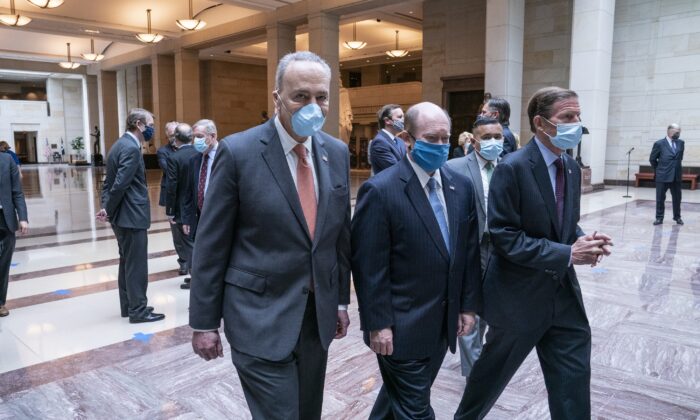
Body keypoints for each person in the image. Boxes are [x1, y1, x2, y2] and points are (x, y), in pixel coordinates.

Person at [189, 51, 351, 420]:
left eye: (321, 97)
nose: (313, 105)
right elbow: (211, 246)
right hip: (257, 318)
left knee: (308, 413)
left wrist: (339, 301)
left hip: (315, 319)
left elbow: (339, 240)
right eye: (301, 96)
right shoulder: (240, 151)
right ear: (277, 97)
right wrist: (204, 322)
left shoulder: (336, 153)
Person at [454, 87, 613, 420]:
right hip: (517, 298)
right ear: (540, 123)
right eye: (567, 117)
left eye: (578, 116)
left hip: (562, 296)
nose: (576, 124)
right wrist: (568, 253)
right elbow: (504, 237)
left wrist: (586, 241)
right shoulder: (512, 168)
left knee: (573, 381)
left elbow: (565, 228)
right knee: (489, 379)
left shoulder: (570, 168)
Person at [352, 101, 481, 419]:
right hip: (399, 329)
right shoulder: (381, 191)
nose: (439, 146)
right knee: (415, 410)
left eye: (444, 139)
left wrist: (467, 305)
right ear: (407, 139)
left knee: (400, 399)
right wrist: (378, 324)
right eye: (430, 138)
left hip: (442, 325)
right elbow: (370, 266)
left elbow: (467, 252)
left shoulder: (460, 186)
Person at [445, 116, 503, 379]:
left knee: (496, 312)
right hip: (471, 247)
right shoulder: (454, 167)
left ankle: (488, 363)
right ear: (474, 140)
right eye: (487, 137)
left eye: (498, 137)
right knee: (469, 310)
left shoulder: (510, 167)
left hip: (503, 250)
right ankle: (475, 375)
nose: (493, 142)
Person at [96, 108, 165, 323]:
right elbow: (120, 184)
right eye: (150, 124)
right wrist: (108, 209)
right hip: (131, 216)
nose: (152, 128)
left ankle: (129, 306)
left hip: (122, 217)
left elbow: (108, 183)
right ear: (138, 124)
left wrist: (107, 207)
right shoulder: (131, 148)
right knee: (136, 265)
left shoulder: (118, 145)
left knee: (126, 262)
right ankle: (138, 310)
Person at [180, 119, 219, 290]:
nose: (196, 141)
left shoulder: (226, 156)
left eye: (200, 136)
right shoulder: (194, 160)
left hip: (220, 216)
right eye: (194, 137)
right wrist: (187, 219)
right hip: (199, 217)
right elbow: (189, 192)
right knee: (201, 255)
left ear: (212, 136)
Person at [165, 123, 198, 287]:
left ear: (175, 139)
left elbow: (172, 187)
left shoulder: (174, 158)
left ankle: (196, 278)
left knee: (188, 242)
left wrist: (170, 211)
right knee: (195, 240)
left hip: (181, 206)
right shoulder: (199, 152)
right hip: (198, 204)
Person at [157, 121, 189, 275]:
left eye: (175, 135)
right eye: (170, 135)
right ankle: (183, 261)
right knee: (177, 233)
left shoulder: (190, 149)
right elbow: (167, 170)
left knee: (190, 231)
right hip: (173, 196)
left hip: (188, 195)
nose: (173, 138)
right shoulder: (163, 151)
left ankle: (192, 262)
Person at [0, 152, 28, 317]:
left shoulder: (7, 159)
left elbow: (17, 191)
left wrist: (23, 217)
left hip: (6, 219)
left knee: (3, 264)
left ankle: (0, 303)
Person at [650, 123, 685, 225]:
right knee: (660, 198)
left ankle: (677, 217)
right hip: (662, 175)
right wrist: (659, 169)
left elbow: (680, 158)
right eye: (676, 132)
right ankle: (659, 218)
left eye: (679, 132)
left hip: (676, 176)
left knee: (677, 198)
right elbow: (652, 159)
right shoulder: (659, 144)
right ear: (669, 131)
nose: (678, 134)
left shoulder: (681, 143)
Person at [369, 104, 407, 175]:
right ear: (387, 121)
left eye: (403, 117)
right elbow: (395, 170)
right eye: (400, 117)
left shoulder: (400, 141)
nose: (403, 120)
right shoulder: (380, 142)